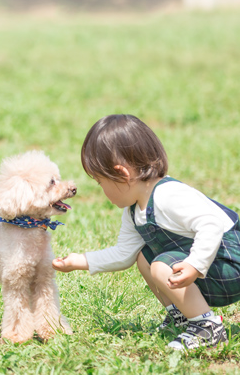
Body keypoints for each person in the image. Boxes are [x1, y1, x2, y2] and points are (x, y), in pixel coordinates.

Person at [53, 114, 240, 351]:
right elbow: (124, 254)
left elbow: (211, 223)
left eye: (101, 182)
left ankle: (207, 326)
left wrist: (195, 264)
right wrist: (78, 261)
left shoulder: (168, 196)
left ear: (122, 174)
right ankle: (181, 315)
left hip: (230, 264)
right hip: (209, 267)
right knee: (144, 255)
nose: (102, 191)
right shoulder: (134, 210)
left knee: (161, 265)